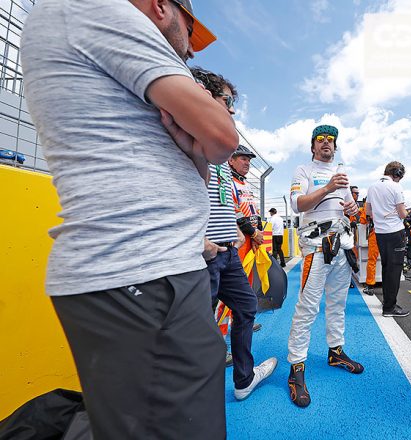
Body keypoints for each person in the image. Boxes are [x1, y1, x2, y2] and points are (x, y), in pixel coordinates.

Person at [21, 0, 239, 438]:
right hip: (142, 270)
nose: (189, 51)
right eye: (189, 32)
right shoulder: (103, 11)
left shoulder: (112, 59)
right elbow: (222, 135)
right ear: (160, 7)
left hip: (150, 269)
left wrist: (197, 151)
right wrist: (206, 135)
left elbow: (203, 158)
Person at [192, 67, 277, 399]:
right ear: (204, 96)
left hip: (227, 252)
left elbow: (226, 202)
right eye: (227, 101)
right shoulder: (189, 141)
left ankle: (243, 379)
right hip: (205, 255)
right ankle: (196, 400)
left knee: (246, 306)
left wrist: (236, 231)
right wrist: (201, 242)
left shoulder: (219, 156)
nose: (232, 111)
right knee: (196, 329)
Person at [288, 124, 363, 408]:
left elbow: (350, 207)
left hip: (341, 245)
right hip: (317, 246)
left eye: (331, 139)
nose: (326, 143)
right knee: (307, 308)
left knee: (337, 304)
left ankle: (336, 351)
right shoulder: (303, 170)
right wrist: (329, 187)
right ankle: (296, 366)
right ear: (313, 146)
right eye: (320, 139)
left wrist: (353, 208)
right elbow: (298, 204)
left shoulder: (342, 174)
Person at [366, 161, 409, 318]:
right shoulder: (396, 187)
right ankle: (390, 307)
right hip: (395, 232)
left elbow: (368, 211)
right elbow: (403, 214)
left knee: (386, 267)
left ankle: (388, 303)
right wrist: (406, 212)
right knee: (394, 270)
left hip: (380, 233)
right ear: (397, 174)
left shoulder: (372, 187)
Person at [230, 144, 265, 284]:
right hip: (239, 239)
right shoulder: (228, 182)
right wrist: (254, 233)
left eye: (249, 160)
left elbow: (255, 210)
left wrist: (258, 233)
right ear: (231, 160)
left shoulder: (246, 183)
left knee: (249, 280)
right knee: (237, 282)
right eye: (243, 159)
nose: (247, 163)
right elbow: (235, 212)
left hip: (251, 238)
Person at [359, 198, 380, 296]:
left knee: (372, 260)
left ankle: (370, 285)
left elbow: (362, 221)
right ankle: (390, 284)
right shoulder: (388, 202)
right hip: (390, 233)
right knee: (389, 260)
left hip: (376, 233)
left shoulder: (368, 205)